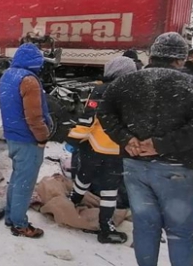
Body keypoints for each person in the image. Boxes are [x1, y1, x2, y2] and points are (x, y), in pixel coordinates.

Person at [97, 32, 193, 266]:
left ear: (152, 55)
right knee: (180, 232)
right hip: (176, 169)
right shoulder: (192, 85)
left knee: (145, 227)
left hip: (135, 166)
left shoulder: (126, 81)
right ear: (181, 59)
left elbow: (105, 112)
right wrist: (160, 144)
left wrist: (126, 138)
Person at [67, 56, 137, 244]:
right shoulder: (135, 94)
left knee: (84, 175)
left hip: (95, 146)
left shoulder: (102, 90)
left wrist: (72, 138)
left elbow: (88, 119)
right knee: (110, 189)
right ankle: (106, 227)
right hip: (118, 149)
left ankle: (73, 200)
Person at [0, 43, 52, 238]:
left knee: (17, 179)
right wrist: (43, 137)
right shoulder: (29, 80)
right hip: (28, 139)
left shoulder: (8, 75)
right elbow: (34, 117)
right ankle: (20, 224)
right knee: (24, 183)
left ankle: (11, 216)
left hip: (13, 136)